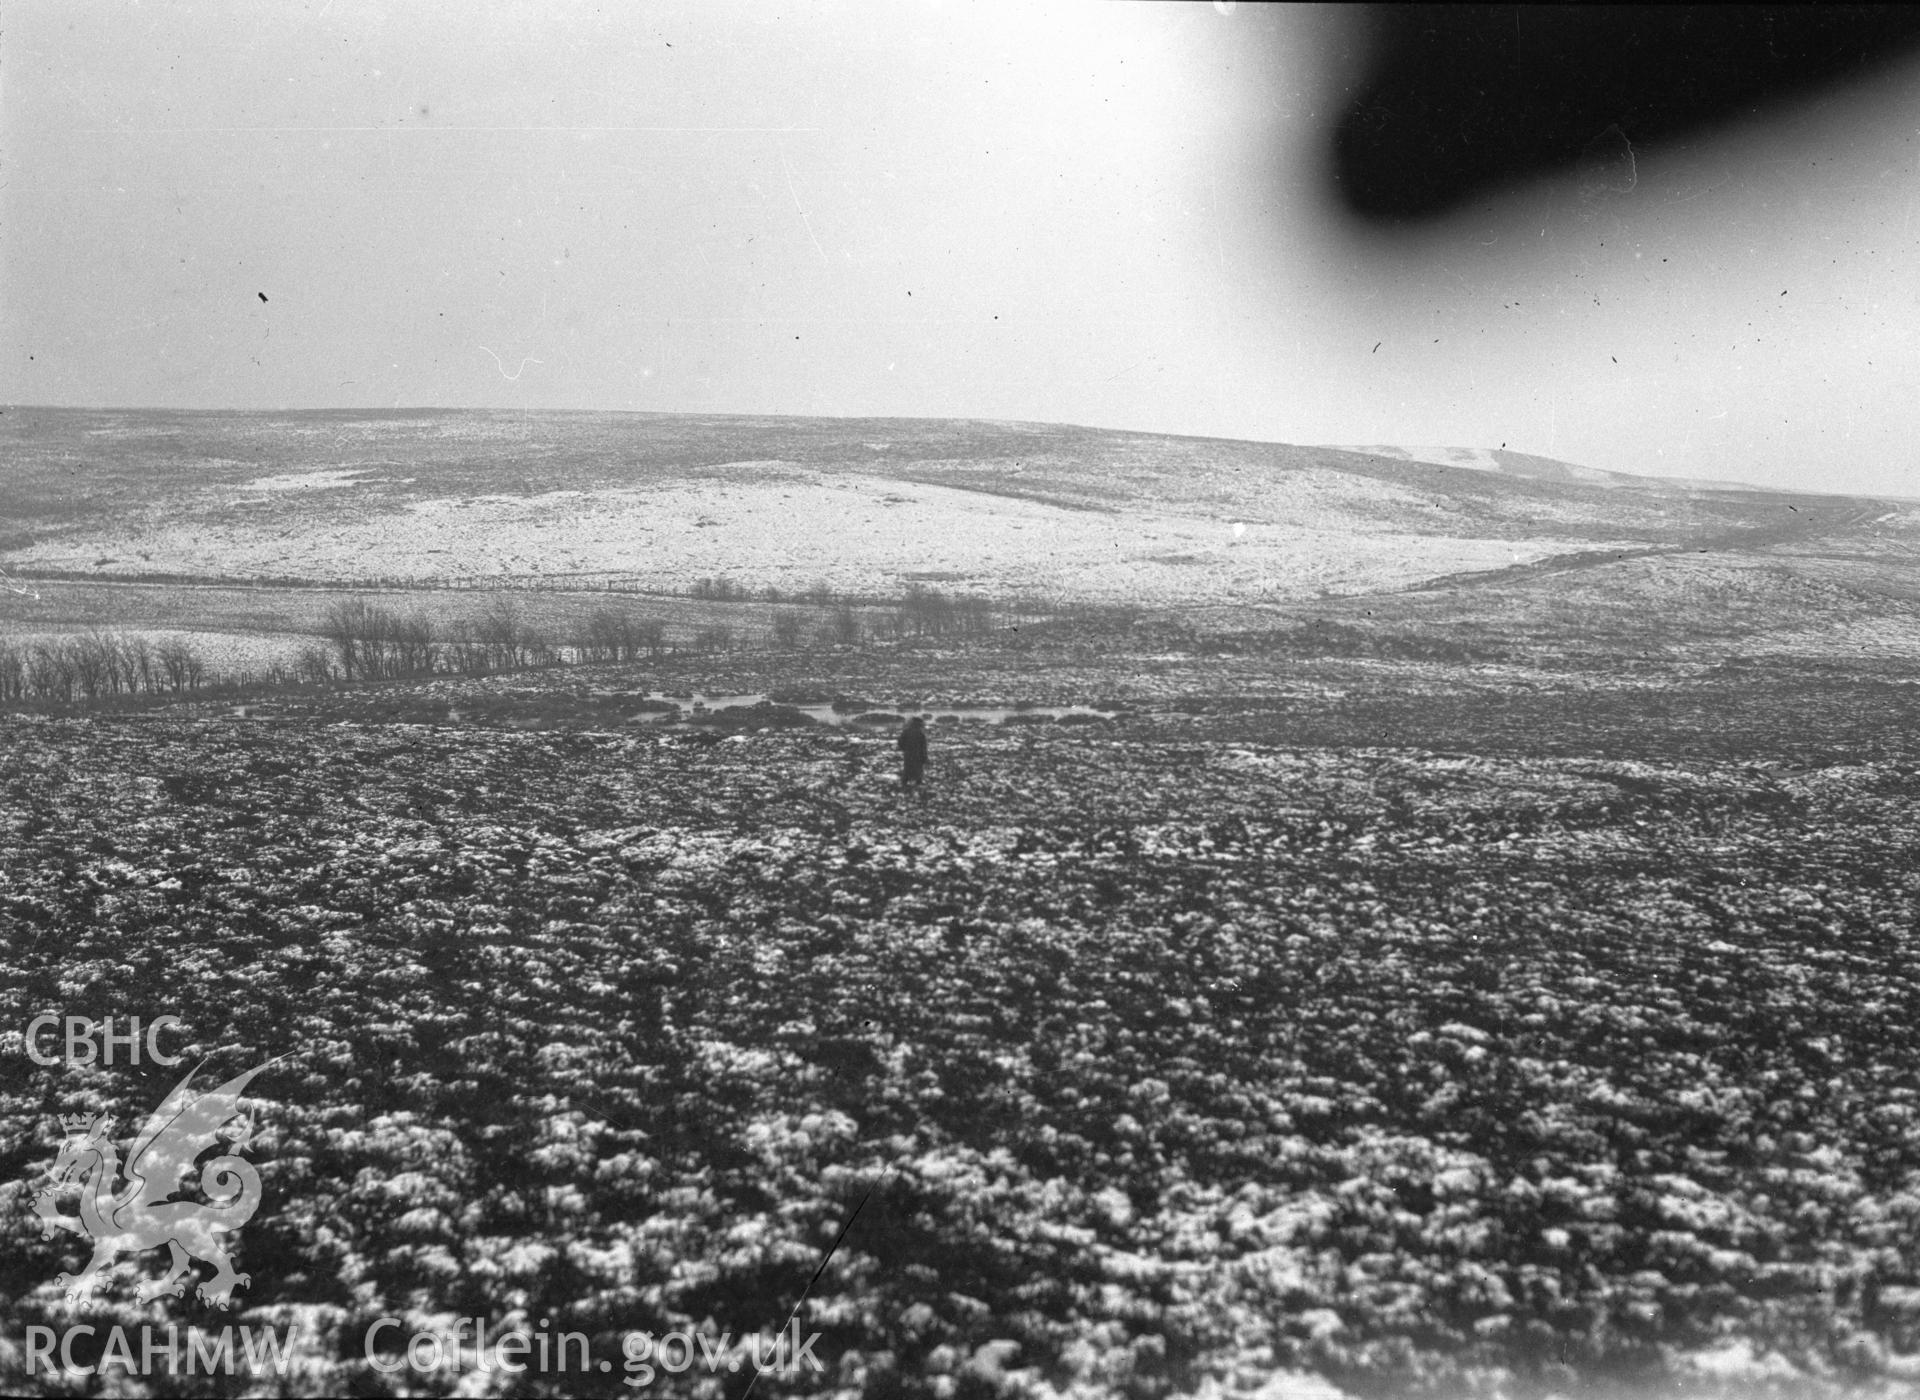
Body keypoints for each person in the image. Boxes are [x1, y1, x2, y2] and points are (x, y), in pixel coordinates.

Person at [898, 715, 928, 788]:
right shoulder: (921, 734)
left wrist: (904, 749)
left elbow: (900, 742)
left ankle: (904, 782)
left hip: (908, 754)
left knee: (907, 768)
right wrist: (925, 757)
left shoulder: (906, 731)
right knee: (918, 769)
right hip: (918, 754)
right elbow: (923, 747)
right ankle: (918, 782)